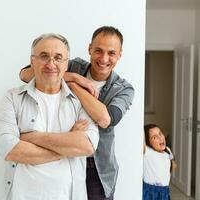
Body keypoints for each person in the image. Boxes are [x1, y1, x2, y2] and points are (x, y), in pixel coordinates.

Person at [19, 26, 135, 200]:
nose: (104, 59)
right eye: (98, 51)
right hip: (62, 156)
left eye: (111, 53)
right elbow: (25, 74)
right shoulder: (73, 66)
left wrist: (73, 85)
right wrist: (75, 77)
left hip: (97, 170)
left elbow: (105, 119)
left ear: (119, 54)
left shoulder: (124, 88)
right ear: (89, 48)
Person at [0, 33, 100, 200]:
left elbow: (86, 146)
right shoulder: (13, 98)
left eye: (58, 57)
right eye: (44, 56)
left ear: (66, 64)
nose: (51, 64)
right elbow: (9, 149)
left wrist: (32, 137)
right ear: (32, 61)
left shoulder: (80, 101)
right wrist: (68, 144)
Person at [143, 124, 177, 200]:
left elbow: (173, 163)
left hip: (164, 190)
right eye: (155, 137)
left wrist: (171, 168)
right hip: (150, 192)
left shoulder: (167, 150)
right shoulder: (148, 152)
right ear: (148, 143)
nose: (160, 138)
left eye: (160, 134)